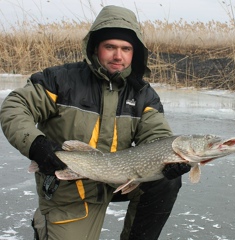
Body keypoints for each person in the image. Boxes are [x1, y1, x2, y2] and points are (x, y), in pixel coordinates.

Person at [0, 5, 190, 240]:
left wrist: (168, 159)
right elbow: (15, 106)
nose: (118, 56)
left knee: (165, 181)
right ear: (95, 48)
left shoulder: (142, 94)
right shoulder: (61, 80)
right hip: (70, 185)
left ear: (135, 53)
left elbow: (157, 136)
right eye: (110, 47)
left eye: (126, 48)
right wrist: (36, 144)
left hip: (120, 178)